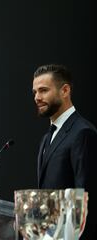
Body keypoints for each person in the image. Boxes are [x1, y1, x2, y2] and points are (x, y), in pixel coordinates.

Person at [32, 64, 97, 239]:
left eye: (43, 90)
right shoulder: (47, 138)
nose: (37, 97)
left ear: (65, 90)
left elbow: (86, 201)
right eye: (35, 92)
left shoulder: (83, 133)